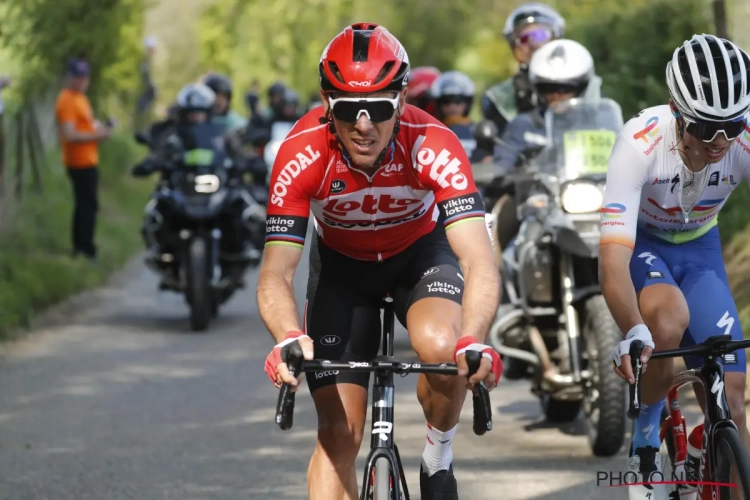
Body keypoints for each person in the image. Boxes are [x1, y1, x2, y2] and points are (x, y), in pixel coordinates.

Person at [258, 22, 502, 500]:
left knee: (443, 346)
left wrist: (476, 339)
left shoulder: (433, 143)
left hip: (419, 256)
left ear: (403, 99)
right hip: (343, 271)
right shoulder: (301, 153)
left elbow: (478, 260)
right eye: (348, 109)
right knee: (339, 435)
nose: (363, 124)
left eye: (380, 108)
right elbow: (276, 270)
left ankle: (438, 455)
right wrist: (287, 335)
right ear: (327, 102)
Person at [601, 34, 750, 500]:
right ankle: (646, 434)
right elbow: (612, 259)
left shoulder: (741, 141)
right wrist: (632, 329)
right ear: (675, 110)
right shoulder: (640, 141)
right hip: (643, 244)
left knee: (735, 400)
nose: (720, 142)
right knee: (666, 320)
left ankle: (713, 447)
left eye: (733, 126)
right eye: (705, 128)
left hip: (700, 249)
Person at [55, 58, 113, 263]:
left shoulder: (81, 99)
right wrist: (97, 136)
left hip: (89, 159)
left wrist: (101, 129)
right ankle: (84, 248)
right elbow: (70, 134)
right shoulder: (67, 100)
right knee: (86, 206)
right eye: (77, 77)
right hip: (78, 162)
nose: (81, 82)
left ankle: (83, 246)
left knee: (88, 205)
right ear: (70, 78)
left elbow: (87, 124)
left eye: (84, 78)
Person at [481, 2, 565, 137]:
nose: (534, 44)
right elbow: (489, 148)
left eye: (540, 35)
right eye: (524, 38)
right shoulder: (500, 97)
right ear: (514, 45)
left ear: (555, 37)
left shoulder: (580, 83)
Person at [430, 70, 490, 162]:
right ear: (438, 104)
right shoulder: (433, 131)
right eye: (446, 101)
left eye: (458, 100)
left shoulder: (479, 131)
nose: (452, 106)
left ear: (467, 102)